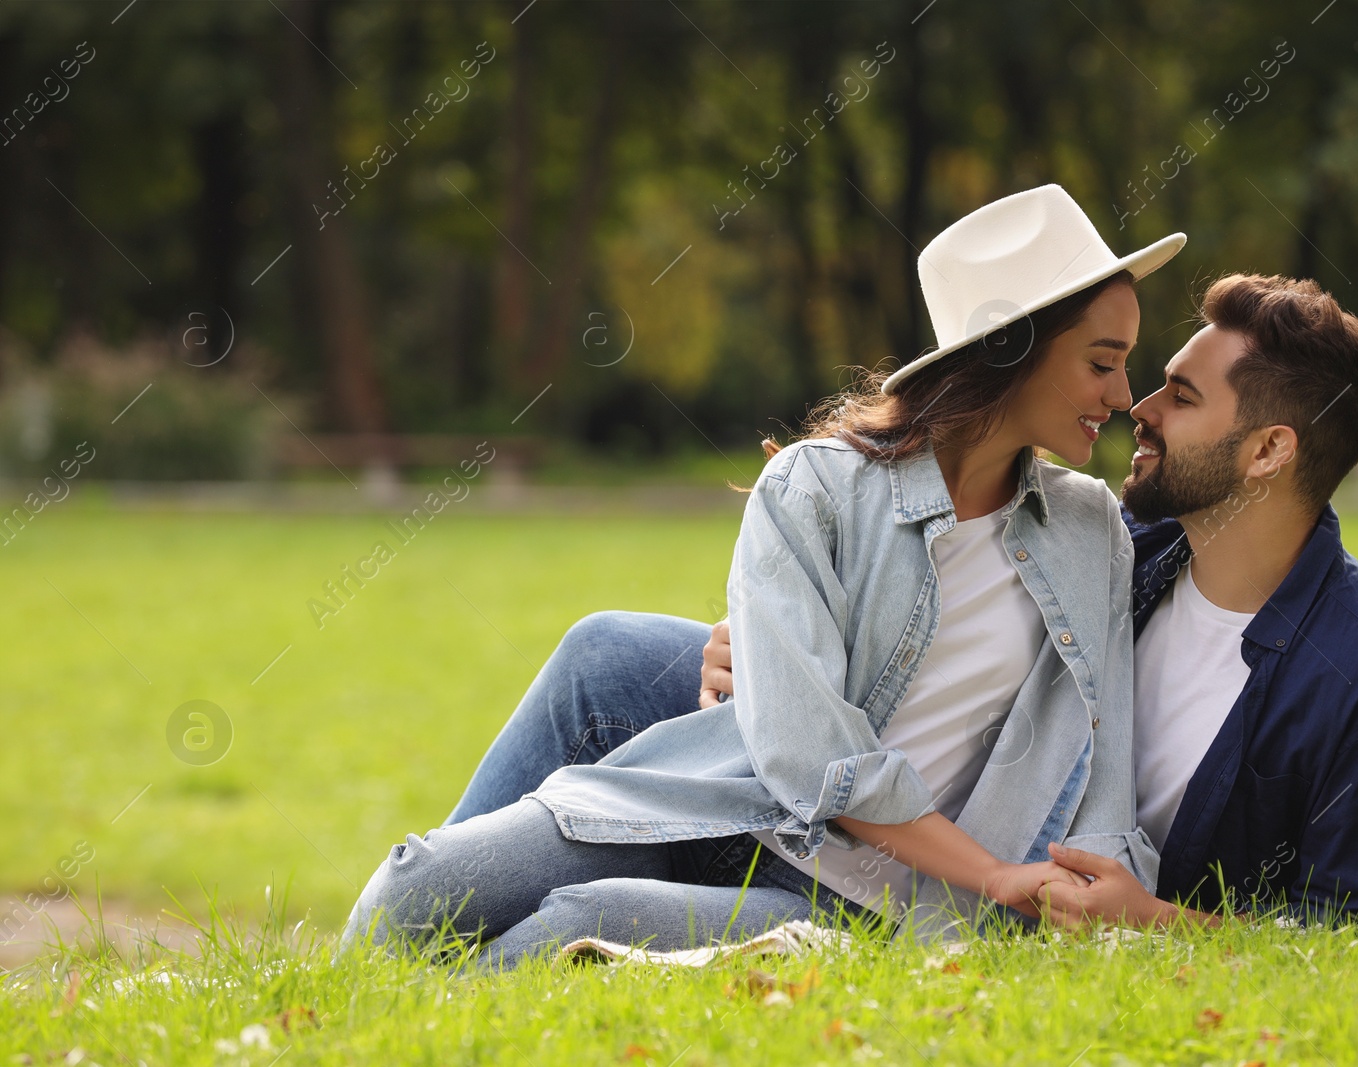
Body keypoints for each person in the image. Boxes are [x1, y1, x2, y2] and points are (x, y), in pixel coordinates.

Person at [342, 184, 1187, 967]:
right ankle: (337, 1024)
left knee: (574, 921)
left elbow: (1101, 750)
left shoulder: (1090, 529)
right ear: (1012, 350)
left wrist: (1080, 886)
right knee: (417, 886)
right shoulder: (815, 485)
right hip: (722, 803)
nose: (1122, 394)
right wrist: (998, 874)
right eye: (1102, 361)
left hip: (856, 902)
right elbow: (812, 754)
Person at [447, 273, 1358, 930]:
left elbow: (1354, 939)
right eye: (1129, 374)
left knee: (587, 901)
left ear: (1270, 450)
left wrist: (1152, 919)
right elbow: (945, 604)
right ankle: (432, 906)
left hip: (976, 855)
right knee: (607, 653)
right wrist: (758, 637)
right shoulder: (1141, 538)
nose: (1136, 406)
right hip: (898, 757)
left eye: (1177, 397)